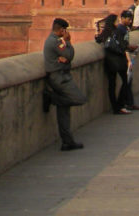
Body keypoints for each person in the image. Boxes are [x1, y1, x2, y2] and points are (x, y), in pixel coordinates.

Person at [42, 18, 86, 151]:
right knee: (80, 99)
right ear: (61, 30)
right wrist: (68, 42)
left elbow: (67, 58)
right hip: (59, 77)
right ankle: (52, 98)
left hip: (60, 75)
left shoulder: (53, 41)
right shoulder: (54, 41)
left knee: (64, 112)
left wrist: (65, 59)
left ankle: (67, 142)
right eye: (65, 30)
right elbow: (69, 55)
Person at [95, 13, 130, 114]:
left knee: (112, 85)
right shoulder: (118, 31)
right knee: (125, 82)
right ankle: (120, 104)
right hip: (119, 60)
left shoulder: (105, 32)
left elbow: (98, 40)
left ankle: (114, 107)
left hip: (109, 62)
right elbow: (124, 46)